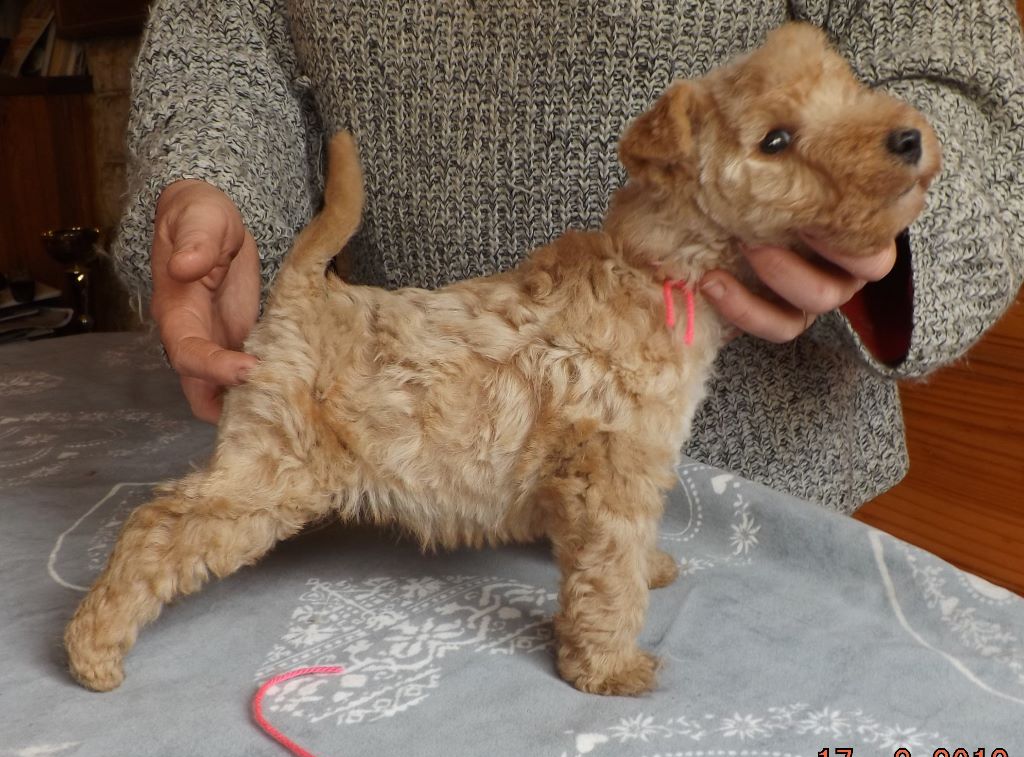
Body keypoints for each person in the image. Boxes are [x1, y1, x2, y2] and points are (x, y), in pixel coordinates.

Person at [112, 0, 1024, 513]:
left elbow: (959, 68)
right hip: (399, 441)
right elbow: (229, 33)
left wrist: (887, 231)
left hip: (770, 492)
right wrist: (211, 175)